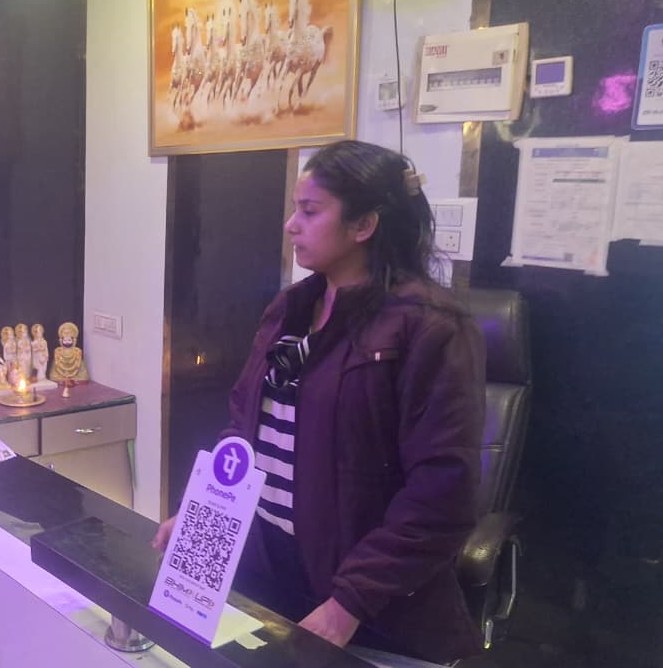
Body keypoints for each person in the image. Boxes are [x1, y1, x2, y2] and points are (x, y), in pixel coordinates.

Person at [152, 140, 486, 664]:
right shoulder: (291, 308)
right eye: (295, 209)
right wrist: (206, 515)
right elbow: (244, 428)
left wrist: (348, 603)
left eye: (309, 211)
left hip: (368, 603)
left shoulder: (430, 329)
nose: (291, 225)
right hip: (269, 571)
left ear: (363, 225)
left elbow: (442, 493)